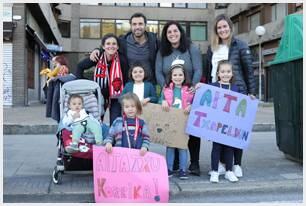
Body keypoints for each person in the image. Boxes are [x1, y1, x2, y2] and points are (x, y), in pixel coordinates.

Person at [204, 14, 257, 178]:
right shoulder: (212, 47)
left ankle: (236, 164)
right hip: (217, 94)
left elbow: (249, 70)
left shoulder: (240, 45)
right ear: (216, 30)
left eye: (225, 26)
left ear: (230, 27)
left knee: (235, 130)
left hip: (237, 92)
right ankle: (220, 164)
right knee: (218, 130)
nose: (222, 30)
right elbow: (208, 71)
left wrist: (251, 92)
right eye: (219, 27)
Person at [155, 21, 203, 176]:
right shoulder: (162, 51)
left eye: (175, 31)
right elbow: (158, 72)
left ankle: (194, 163)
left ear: (180, 32)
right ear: (165, 35)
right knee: (173, 128)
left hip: (189, 92)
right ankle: (174, 163)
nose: (172, 34)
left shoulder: (191, 48)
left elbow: (198, 69)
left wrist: (193, 86)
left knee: (191, 129)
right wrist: (165, 88)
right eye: (169, 32)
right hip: (170, 93)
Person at [196, 60, 240, 182]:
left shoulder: (235, 88)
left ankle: (229, 171)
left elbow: (242, 104)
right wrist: (201, 86)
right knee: (216, 147)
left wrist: (250, 98)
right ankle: (215, 171)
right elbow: (205, 92)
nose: (225, 74)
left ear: (232, 74)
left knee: (230, 147)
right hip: (216, 124)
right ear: (218, 73)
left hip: (230, 124)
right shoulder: (213, 86)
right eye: (223, 72)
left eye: (228, 71)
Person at [89, 12, 159, 84]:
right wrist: (97, 50)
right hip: (129, 84)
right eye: (134, 24)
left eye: (140, 24)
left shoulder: (154, 41)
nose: (137, 27)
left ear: (145, 25)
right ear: (131, 26)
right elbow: (110, 48)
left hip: (149, 84)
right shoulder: (123, 41)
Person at [75, 33, 129, 125]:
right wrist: (89, 85)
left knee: (115, 122)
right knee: (96, 121)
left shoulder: (122, 60)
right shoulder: (98, 56)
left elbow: (126, 79)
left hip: (115, 95)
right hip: (98, 94)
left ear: (118, 47)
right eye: (108, 44)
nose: (111, 46)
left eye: (114, 44)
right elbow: (80, 67)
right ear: (103, 46)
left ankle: (113, 139)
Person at [160, 61, 194, 180]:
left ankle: (183, 169)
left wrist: (191, 106)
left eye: (180, 75)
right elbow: (160, 101)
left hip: (184, 122)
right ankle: (169, 168)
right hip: (170, 122)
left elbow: (196, 102)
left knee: (182, 146)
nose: (177, 77)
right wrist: (163, 101)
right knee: (170, 146)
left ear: (184, 76)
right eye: (175, 75)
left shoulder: (189, 89)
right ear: (171, 76)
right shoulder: (166, 89)